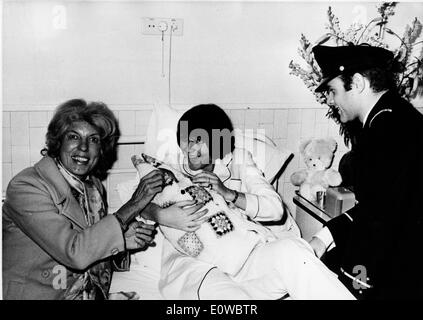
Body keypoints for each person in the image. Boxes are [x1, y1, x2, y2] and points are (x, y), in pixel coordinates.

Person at [2, 99, 206, 300]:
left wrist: (123, 243)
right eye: (74, 137)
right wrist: (134, 205)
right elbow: (76, 253)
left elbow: (94, 244)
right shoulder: (27, 187)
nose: (83, 148)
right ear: (58, 142)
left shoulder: (93, 187)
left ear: (100, 150)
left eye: (93, 140)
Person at [157, 103, 355, 300]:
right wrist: (158, 214)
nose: (190, 149)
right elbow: (137, 201)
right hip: (198, 265)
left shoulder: (239, 160)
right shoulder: (169, 167)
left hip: (248, 255)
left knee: (292, 250)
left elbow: (276, 209)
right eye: (185, 141)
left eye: (198, 140)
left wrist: (228, 193)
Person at [309, 44, 423, 299]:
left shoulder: (384, 131)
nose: (329, 100)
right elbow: (381, 203)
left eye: (332, 90)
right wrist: (324, 237)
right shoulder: (396, 116)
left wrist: (354, 284)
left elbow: (380, 224)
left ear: (358, 83)